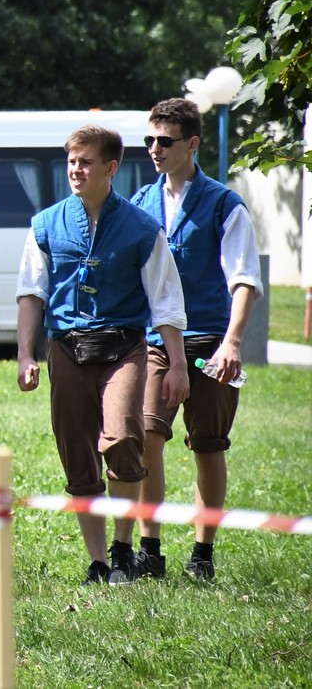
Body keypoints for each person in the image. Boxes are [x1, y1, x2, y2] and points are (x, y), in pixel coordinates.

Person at [16, 124, 189, 585]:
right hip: (66, 349)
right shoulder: (46, 224)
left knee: (122, 440)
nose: (76, 168)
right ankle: (97, 561)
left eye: (86, 161)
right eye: (72, 160)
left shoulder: (141, 228)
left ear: (110, 168)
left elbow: (166, 301)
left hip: (123, 348)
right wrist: (25, 355)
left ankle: (123, 549)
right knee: (77, 454)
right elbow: (31, 292)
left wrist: (176, 364)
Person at [129, 98, 260, 581]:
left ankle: (202, 555)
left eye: (165, 141)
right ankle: (150, 549)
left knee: (208, 446)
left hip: (211, 344)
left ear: (193, 144)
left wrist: (232, 343)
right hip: (153, 343)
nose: (155, 149)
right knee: (146, 437)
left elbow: (243, 280)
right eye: (149, 140)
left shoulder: (225, 205)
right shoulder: (139, 205)